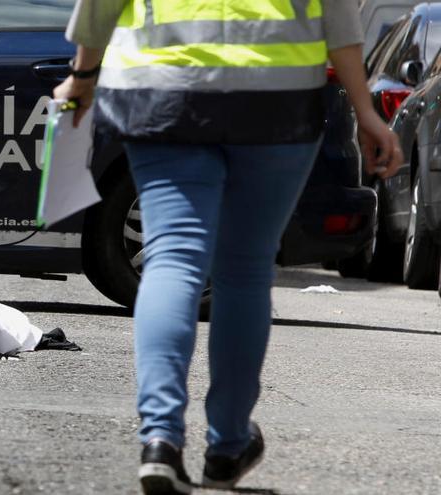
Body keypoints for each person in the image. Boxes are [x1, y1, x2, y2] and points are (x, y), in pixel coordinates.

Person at [53, 1, 403, 494]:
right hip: (275, 97)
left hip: (161, 88)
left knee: (173, 256)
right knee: (245, 270)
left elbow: (100, 7)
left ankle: (160, 439)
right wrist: (366, 110)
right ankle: (228, 443)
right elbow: (339, 19)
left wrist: (82, 77)